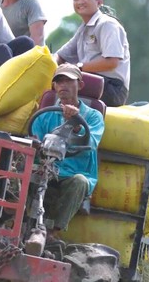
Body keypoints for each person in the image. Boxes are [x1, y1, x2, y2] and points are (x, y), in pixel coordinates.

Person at [30, 63, 104, 239]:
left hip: (73, 172)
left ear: (80, 85)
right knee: (21, 174)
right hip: (45, 168)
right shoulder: (45, 114)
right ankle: (19, 224)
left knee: (80, 182)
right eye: (59, 81)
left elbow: (91, 142)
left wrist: (76, 124)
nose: (63, 85)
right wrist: (34, 145)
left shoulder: (93, 116)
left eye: (68, 81)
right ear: (54, 86)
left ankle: (52, 234)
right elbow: (35, 141)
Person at [55, 0, 130, 107]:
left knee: (65, 83)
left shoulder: (107, 24)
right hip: (89, 80)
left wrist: (77, 68)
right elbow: (61, 55)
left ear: (99, 2)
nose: (80, 2)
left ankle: (71, 121)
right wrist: (50, 64)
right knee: (53, 79)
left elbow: (111, 62)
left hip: (112, 87)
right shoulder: (83, 30)